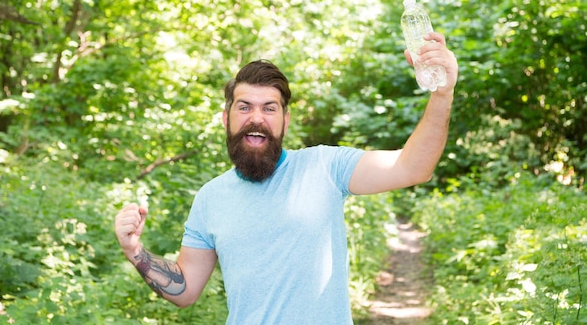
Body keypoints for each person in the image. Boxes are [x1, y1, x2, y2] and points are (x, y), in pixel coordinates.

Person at [114, 32, 458, 325]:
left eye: (269, 108)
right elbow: (185, 288)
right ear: (226, 118)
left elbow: (413, 167)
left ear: (285, 120)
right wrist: (135, 251)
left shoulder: (325, 166)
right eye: (245, 107)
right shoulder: (210, 197)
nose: (257, 118)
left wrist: (441, 93)